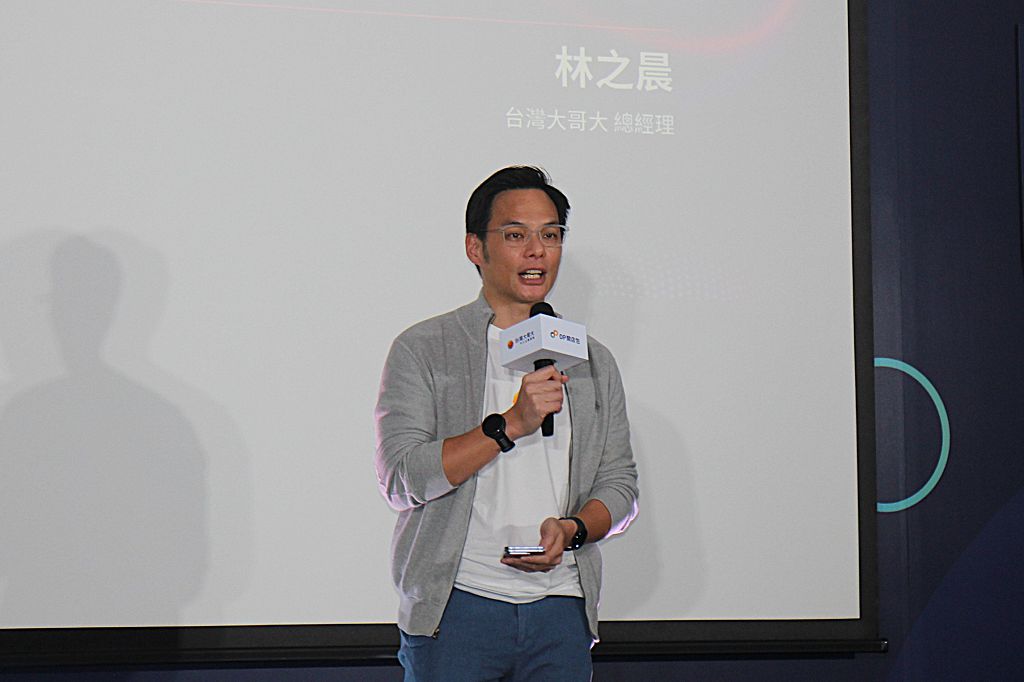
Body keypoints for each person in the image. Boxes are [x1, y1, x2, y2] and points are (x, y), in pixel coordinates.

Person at [374, 166, 638, 681]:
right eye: (516, 236)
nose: (537, 251)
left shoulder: (592, 360)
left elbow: (620, 484)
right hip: (457, 609)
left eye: (550, 235)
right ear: (476, 248)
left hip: (561, 608)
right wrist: (509, 424)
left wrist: (574, 530)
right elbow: (402, 477)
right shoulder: (425, 348)